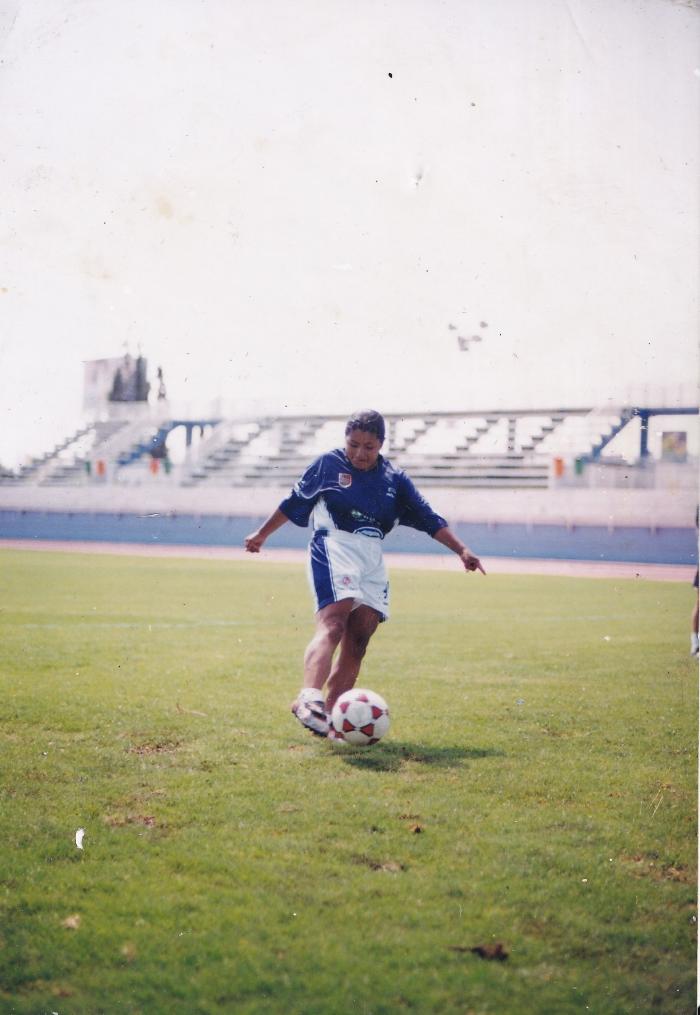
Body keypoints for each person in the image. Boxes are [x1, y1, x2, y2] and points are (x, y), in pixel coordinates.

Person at [244, 409, 485, 740]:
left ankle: (329, 723)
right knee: (333, 623)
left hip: (372, 556)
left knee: (359, 639)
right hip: (334, 545)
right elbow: (293, 501)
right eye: (353, 444)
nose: (359, 453)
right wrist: (261, 534)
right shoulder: (328, 464)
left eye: (368, 447)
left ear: (381, 445)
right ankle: (308, 697)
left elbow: (429, 518)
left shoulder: (395, 480)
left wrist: (462, 550)